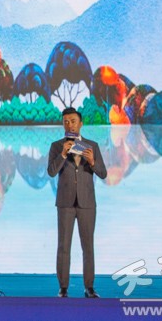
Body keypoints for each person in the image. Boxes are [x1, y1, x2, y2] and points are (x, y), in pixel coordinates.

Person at [46, 107, 107, 298]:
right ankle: (63, 287)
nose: (69, 124)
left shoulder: (92, 146)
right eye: (65, 121)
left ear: (80, 123)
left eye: (73, 121)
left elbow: (103, 173)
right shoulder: (57, 146)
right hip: (65, 202)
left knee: (88, 247)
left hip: (87, 202)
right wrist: (63, 155)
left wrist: (92, 161)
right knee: (63, 246)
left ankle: (89, 287)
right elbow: (51, 172)